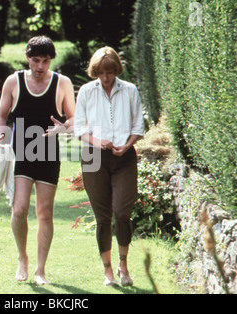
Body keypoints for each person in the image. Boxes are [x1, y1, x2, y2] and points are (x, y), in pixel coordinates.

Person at [0, 36, 75, 285]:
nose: (40, 66)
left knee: (44, 213)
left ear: (51, 60)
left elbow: (75, 119)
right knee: (19, 210)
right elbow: (0, 116)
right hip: (21, 154)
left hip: (49, 154)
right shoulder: (14, 82)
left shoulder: (62, 83)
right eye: (36, 60)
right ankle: (22, 258)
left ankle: (40, 270)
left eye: (46, 61)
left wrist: (64, 128)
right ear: (28, 58)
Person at [74, 47, 144, 286]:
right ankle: (107, 271)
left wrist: (126, 146)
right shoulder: (85, 91)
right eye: (102, 73)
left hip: (123, 158)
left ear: (116, 70)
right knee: (103, 217)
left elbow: (138, 127)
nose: (106, 78)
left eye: (110, 72)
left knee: (122, 213)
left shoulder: (130, 90)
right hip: (94, 158)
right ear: (95, 71)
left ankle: (123, 265)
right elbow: (80, 129)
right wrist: (97, 141)